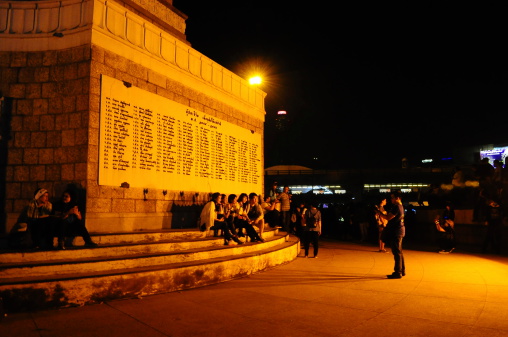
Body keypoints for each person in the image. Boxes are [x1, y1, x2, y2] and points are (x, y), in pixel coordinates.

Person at [377, 190, 406, 279]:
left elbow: (388, 217)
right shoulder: (401, 206)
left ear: (397, 198)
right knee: (399, 252)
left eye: (392, 197)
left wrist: (379, 213)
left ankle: (398, 272)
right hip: (399, 231)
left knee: (397, 252)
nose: (391, 199)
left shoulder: (396, 207)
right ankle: (402, 270)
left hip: (396, 231)